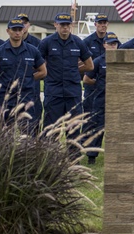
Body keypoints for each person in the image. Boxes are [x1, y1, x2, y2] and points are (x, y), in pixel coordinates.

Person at [0, 19, 47, 123]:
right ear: (8, 31)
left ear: (23, 30)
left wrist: (28, 80)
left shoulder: (32, 51)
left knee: (27, 131)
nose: (17, 32)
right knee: (2, 131)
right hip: (4, 99)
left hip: (26, 97)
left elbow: (43, 71)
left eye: (20, 29)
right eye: (14, 29)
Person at [37, 12, 94, 127]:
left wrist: (73, 70)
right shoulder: (46, 42)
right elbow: (37, 63)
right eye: (62, 25)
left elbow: (90, 65)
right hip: (53, 92)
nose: (65, 27)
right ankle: (50, 146)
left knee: (74, 129)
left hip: (72, 93)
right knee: (51, 129)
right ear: (55, 25)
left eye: (68, 25)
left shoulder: (78, 42)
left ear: (71, 25)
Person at [82, 32, 118, 164]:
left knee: (116, 130)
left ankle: (116, 155)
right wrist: (99, 84)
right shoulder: (98, 61)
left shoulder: (121, 61)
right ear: (104, 45)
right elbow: (86, 79)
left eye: (115, 44)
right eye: (110, 44)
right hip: (100, 100)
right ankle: (92, 156)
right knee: (97, 129)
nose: (112, 46)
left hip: (117, 100)